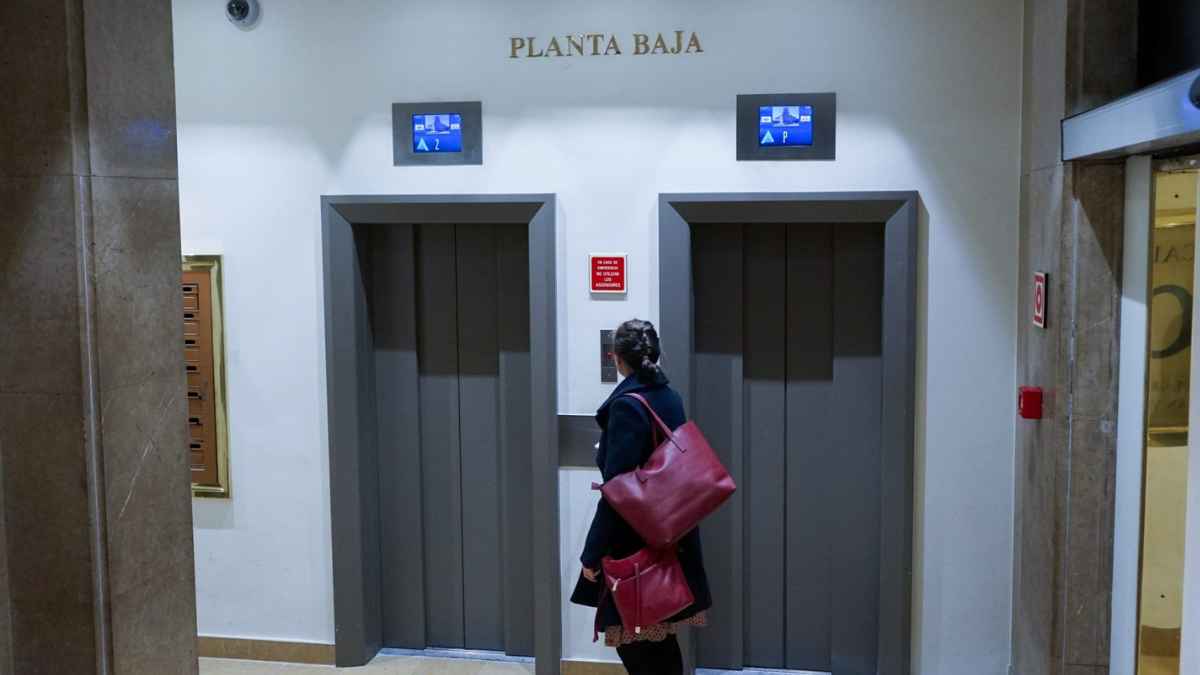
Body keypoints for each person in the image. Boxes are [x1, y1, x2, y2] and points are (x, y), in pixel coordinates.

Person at [571, 319, 711, 675]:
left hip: (634, 545)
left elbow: (619, 493)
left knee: (639, 648)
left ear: (617, 359)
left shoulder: (627, 406)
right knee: (658, 641)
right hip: (671, 535)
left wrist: (592, 553)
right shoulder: (670, 398)